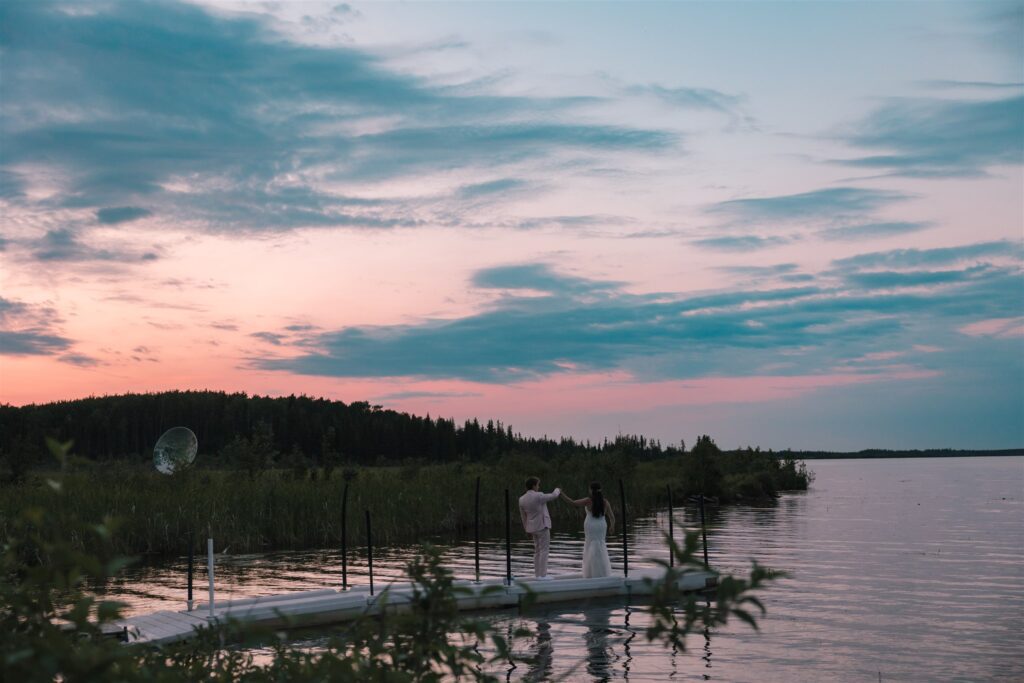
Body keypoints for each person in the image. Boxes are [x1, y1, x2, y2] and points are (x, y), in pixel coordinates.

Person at [561, 482, 614, 578]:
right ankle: (602, 573)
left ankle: (591, 574)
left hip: (591, 526)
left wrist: (562, 494)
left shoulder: (588, 501)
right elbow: (612, 517)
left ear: (591, 490)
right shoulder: (605, 502)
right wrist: (612, 526)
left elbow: (573, 503)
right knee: (600, 545)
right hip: (601, 526)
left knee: (590, 546)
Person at [519, 476, 561, 580]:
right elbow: (553, 495)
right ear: (533, 486)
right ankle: (543, 576)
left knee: (537, 551)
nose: (539, 486)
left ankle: (537, 575)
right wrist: (558, 490)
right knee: (544, 551)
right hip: (542, 526)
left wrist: (526, 529)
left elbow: (523, 517)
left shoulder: (521, 499)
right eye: (538, 484)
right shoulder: (539, 496)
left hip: (532, 528)